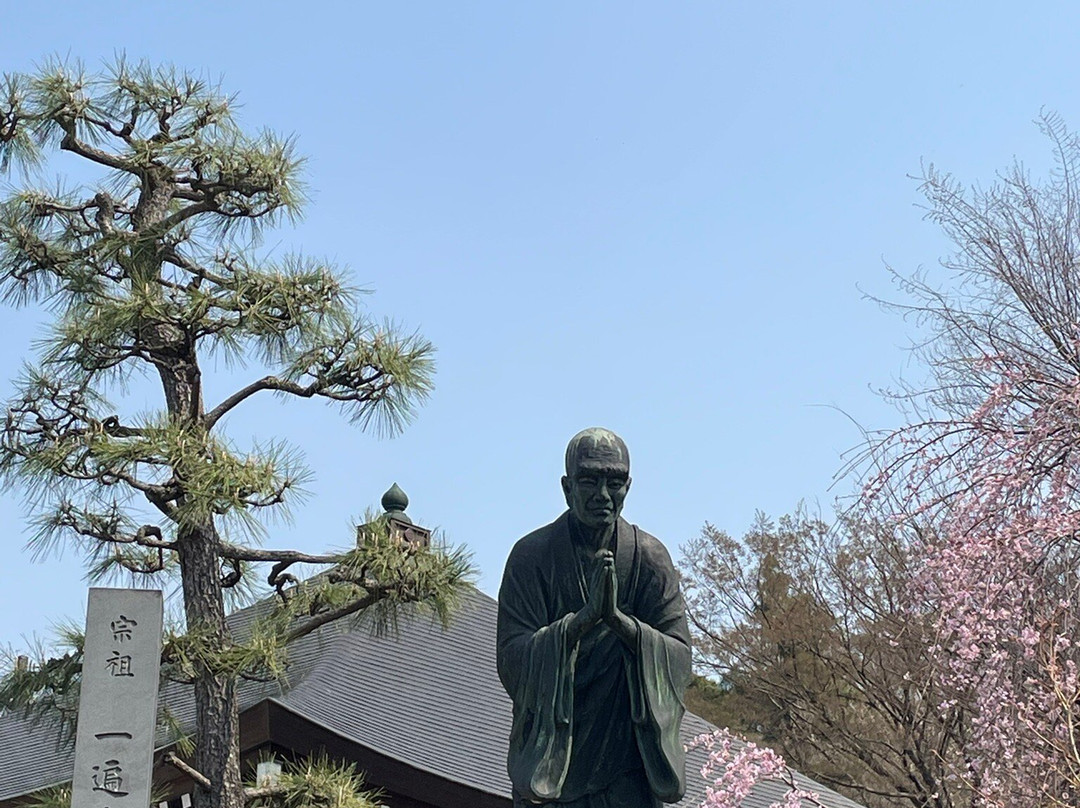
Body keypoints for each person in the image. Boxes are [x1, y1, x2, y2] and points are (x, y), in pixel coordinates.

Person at [497, 428, 691, 808]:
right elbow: (512, 660)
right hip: (552, 762)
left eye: (614, 481)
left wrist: (621, 623)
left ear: (628, 486)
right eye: (589, 480)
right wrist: (579, 623)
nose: (603, 495)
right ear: (567, 487)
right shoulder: (531, 557)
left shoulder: (648, 559)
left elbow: (680, 659)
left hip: (627, 764)